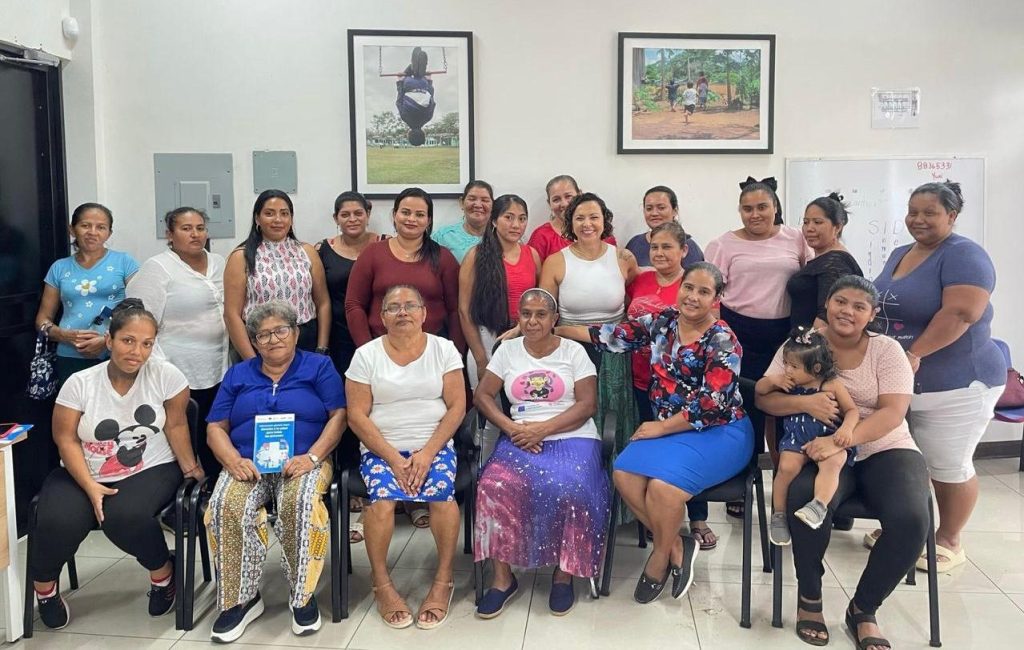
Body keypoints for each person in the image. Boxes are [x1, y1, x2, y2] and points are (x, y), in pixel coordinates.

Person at [756, 275, 930, 650]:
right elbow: (765, 399)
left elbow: (893, 412)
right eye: (840, 302)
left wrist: (840, 440)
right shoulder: (802, 343)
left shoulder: (887, 351)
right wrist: (804, 403)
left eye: (858, 306)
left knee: (912, 519)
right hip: (815, 448)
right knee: (803, 500)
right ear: (827, 304)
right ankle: (810, 599)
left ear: (872, 314)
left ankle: (863, 609)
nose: (847, 311)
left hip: (884, 447)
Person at [563, 262, 754, 604]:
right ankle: (678, 546)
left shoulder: (723, 340)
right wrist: (551, 328)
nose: (692, 296)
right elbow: (611, 336)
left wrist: (661, 427)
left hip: (720, 431)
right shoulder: (664, 322)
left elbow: (710, 404)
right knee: (624, 474)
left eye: (704, 292)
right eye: (689, 287)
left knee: (663, 489)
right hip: (670, 431)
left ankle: (660, 557)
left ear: (716, 299)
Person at [31, 299, 202, 629]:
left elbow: (177, 425)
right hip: (82, 469)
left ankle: (163, 574)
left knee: (124, 516)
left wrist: (192, 470)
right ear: (109, 340)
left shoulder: (166, 376)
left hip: (150, 466)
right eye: (128, 340)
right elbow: (66, 439)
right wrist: (89, 485)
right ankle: (45, 589)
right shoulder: (80, 383)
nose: (137, 351)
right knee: (56, 520)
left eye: (147, 343)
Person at [872, 180, 1005, 572]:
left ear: (952, 215)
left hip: (958, 381)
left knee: (948, 464)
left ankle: (948, 539)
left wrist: (913, 354)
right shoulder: (901, 252)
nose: (918, 219)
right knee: (907, 461)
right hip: (904, 383)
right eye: (913, 212)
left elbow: (962, 313)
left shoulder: (965, 255)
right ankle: (908, 530)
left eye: (929, 212)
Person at [204, 301, 347, 643]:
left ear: (296, 333)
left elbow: (339, 416)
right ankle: (240, 600)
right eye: (263, 335)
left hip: (304, 461)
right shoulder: (238, 374)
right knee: (226, 505)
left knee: (299, 504)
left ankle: (302, 595)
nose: (273, 339)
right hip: (247, 463)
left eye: (281, 330)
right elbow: (215, 427)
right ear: (254, 342)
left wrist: (313, 457)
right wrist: (232, 460)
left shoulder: (318, 366)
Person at [473, 288, 608, 618]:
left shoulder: (574, 352)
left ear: (554, 319)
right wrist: (511, 428)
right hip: (520, 435)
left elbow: (587, 405)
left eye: (541, 314)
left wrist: (543, 430)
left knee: (572, 487)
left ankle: (564, 574)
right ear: (518, 318)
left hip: (573, 434)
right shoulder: (507, 351)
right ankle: (503, 579)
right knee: (493, 485)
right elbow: (482, 396)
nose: (532, 321)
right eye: (526, 314)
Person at [345, 285, 466, 630]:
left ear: (424, 313)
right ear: (382, 317)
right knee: (382, 502)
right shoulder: (366, 356)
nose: (402, 312)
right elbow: (356, 416)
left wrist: (427, 453)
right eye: (393, 307)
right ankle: (381, 584)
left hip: (434, 445)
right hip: (382, 448)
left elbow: (457, 406)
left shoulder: (443, 349)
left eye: (410, 305)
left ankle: (443, 581)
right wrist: (394, 459)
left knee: (442, 497)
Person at [705, 176, 810, 518]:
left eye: (762, 207)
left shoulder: (797, 238)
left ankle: (789, 485)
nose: (755, 214)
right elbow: (710, 294)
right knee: (743, 411)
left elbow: (813, 278)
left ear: (775, 207)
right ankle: (741, 481)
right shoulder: (723, 244)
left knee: (786, 410)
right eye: (747, 208)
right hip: (739, 333)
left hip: (785, 336)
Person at [624, 222, 716, 550]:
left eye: (667, 247)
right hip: (642, 379)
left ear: (683, 251)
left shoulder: (695, 284)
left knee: (689, 449)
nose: (660, 253)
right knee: (656, 451)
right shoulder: (639, 279)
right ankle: (661, 521)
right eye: (655, 247)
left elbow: (711, 329)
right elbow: (622, 328)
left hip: (685, 389)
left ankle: (698, 517)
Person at [127, 207, 228, 476]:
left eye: (200, 228)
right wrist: (156, 365)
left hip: (219, 366)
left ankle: (215, 487)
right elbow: (140, 322)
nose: (195, 234)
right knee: (184, 430)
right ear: (169, 234)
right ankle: (189, 482)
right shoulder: (158, 268)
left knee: (214, 430)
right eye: (186, 229)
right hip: (176, 367)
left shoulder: (219, 262)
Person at [315, 190, 387, 543]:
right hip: (339, 341)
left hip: (376, 339)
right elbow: (320, 299)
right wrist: (322, 346)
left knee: (375, 408)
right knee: (344, 409)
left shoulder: (384, 244)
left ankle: (379, 481)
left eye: (358, 213)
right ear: (336, 218)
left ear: (368, 214)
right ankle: (351, 483)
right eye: (345, 214)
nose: (353, 219)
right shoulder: (322, 251)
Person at [756, 327, 859, 546]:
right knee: (785, 468)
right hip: (796, 439)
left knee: (833, 464)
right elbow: (760, 390)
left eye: (794, 366)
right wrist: (773, 381)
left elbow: (852, 411)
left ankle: (819, 506)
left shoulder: (831, 385)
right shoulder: (788, 383)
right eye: (786, 363)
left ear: (816, 367)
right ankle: (779, 515)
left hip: (829, 439)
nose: (787, 370)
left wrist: (846, 429)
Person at [459, 194, 540, 460]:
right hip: (487, 340)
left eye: (522, 218)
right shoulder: (476, 256)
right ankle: (484, 475)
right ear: (494, 220)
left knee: (522, 412)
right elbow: (464, 311)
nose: (516, 225)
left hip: (523, 341)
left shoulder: (532, 255)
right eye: (509, 217)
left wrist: (522, 330)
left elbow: (540, 302)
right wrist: (481, 358)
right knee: (490, 420)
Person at [35, 202, 139, 383]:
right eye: (85, 225)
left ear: (109, 233)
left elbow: (139, 311)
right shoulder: (59, 268)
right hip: (69, 355)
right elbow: (42, 320)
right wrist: (63, 335)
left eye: (101, 227)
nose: (93, 232)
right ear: (72, 229)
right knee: (74, 401)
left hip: (116, 352)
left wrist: (107, 340)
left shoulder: (125, 262)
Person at [223, 190, 330, 359]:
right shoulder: (241, 256)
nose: (278, 219)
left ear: (291, 219)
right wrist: (251, 361)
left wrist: (321, 348)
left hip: (305, 340)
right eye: (269, 213)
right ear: (257, 219)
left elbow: (323, 302)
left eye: (284, 213)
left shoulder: (307, 252)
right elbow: (231, 314)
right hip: (261, 342)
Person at [787, 192, 863, 329]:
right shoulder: (824, 259)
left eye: (817, 222)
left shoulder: (835, 263)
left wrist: (810, 341)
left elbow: (827, 317)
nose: (809, 228)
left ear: (837, 227)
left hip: (815, 340)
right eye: (806, 222)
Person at [527, 175, 616, 262]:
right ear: (549, 203)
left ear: (579, 194)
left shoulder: (600, 231)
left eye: (568, 196)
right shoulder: (541, 236)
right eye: (556, 199)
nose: (564, 204)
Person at [624, 185, 704, 270]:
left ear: (675, 211)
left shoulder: (688, 246)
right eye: (649, 208)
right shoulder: (634, 243)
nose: (654, 213)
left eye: (661, 208)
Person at [431, 180, 494, 263]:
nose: (478, 205)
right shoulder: (443, 237)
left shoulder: (500, 237)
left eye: (485, 200)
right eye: (472, 199)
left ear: (493, 205)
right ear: (461, 202)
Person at [395, 47, 436, 146]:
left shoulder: (428, 117)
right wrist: (400, 81)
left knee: (418, 73)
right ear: (408, 134)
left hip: (423, 84)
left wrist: (429, 80)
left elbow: (432, 100)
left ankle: (417, 68)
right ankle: (414, 66)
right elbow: (399, 100)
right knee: (410, 70)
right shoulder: (405, 117)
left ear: (424, 133)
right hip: (408, 84)